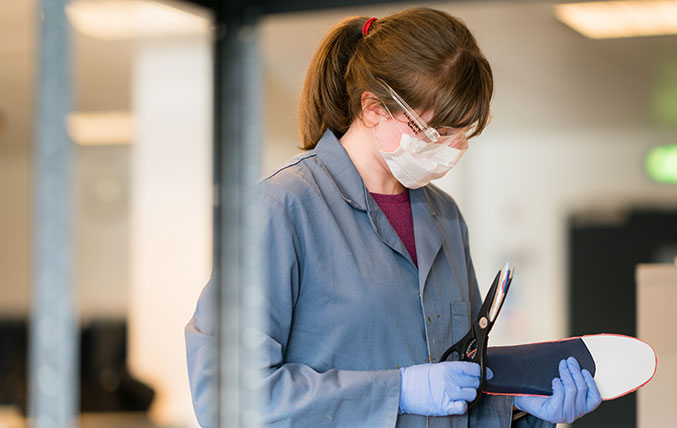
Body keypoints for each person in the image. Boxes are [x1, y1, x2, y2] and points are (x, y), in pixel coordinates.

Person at [185, 7, 602, 428]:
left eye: (463, 134)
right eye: (436, 132)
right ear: (373, 109)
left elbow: (457, 394)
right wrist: (397, 391)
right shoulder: (280, 209)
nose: (452, 149)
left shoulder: (446, 218)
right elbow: (227, 396)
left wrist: (524, 410)